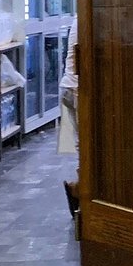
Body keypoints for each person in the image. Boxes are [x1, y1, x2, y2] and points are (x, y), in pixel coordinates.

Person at [58, 17, 80, 217]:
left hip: (69, 86)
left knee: (84, 146)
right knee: (89, 148)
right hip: (77, 88)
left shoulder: (81, 16)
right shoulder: (91, 17)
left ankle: (79, 192)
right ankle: (80, 192)